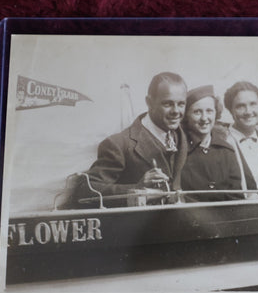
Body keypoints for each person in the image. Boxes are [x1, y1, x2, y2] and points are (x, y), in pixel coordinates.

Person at [78, 72, 188, 207]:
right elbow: (86, 191)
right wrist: (137, 188)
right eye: (167, 104)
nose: (176, 111)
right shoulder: (118, 144)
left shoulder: (183, 136)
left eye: (181, 104)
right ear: (149, 103)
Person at [180, 85, 242, 201]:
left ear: (216, 113)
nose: (204, 118)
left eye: (209, 111)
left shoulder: (226, 151)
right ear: (186, 115)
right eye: (197, 112)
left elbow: (236, 197)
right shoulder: (179, 151)